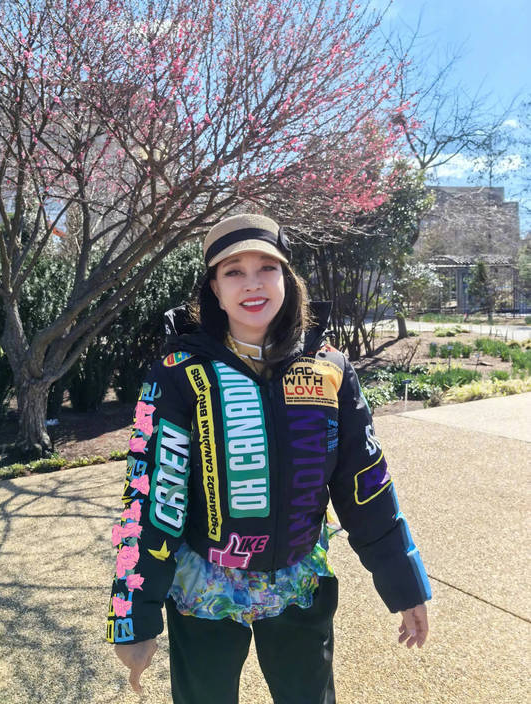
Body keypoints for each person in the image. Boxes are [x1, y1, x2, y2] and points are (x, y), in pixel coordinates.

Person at [106, 213, 431, 704]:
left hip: (299, 581)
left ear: (287, 278)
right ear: (214, 290)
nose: (252, 284)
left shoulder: (330, 369)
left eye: (267, 267)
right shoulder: (177, 372)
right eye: (234, 271)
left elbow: (365, 484)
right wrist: (134, 616)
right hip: (203, 588)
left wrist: (405, 584)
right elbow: (151, 494)